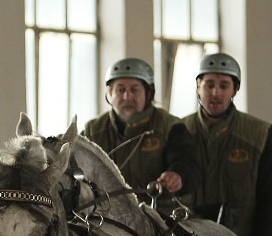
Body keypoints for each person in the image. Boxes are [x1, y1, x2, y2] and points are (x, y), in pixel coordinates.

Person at [182, 52, 272, 236]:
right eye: (209, 85)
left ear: (235, 89)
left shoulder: (259, 134)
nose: (215, 93)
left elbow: (270, 195)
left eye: (224, 86)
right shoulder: (179, 132)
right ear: (198, 86)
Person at [83, 57, 199, 201]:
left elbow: (188, 163)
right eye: (120, 90)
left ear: (148, 93)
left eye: (134, 90)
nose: (127, 96)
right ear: (110, 94)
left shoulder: (170, 126)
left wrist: (177, 176)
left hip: (158, 211)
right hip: (106, 214)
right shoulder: (93, 130)